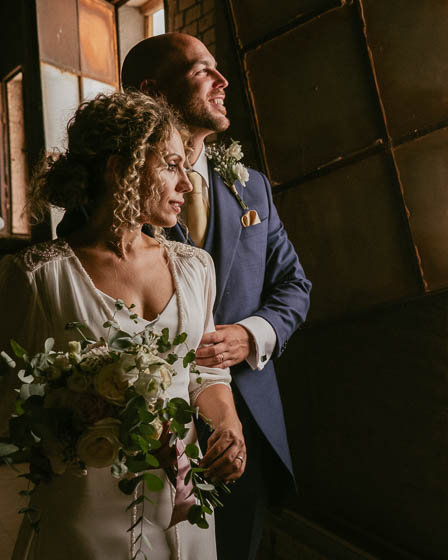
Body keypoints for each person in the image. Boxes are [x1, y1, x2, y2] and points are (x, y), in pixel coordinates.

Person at [0, 91, 244, 558]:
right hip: (85, 508)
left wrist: (228, 425)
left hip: (181, 500)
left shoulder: (195, 268)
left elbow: (205, 373)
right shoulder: (36, 278)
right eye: (171, 165)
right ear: (120, 169)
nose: (187, 184)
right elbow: (9, 404)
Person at [119, 33, 312, 560]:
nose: (223, 81)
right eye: (203, 70)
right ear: (152, 91)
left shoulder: (253, 187)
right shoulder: (113, 193)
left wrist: (252, 334)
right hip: (144, 430)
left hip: (245, 422)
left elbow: (294, 286)